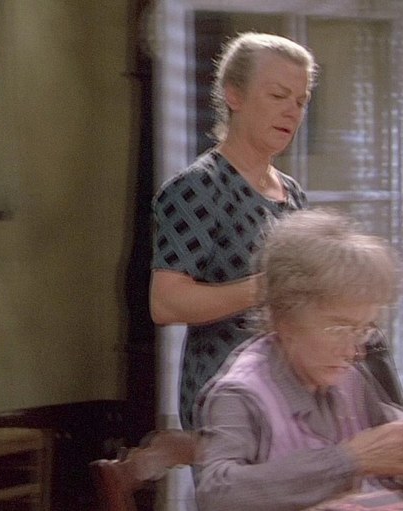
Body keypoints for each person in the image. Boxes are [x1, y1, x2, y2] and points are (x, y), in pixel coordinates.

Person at [193, 209, 403, 511]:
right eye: (339, 329)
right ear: (285, 318)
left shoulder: (351, 379)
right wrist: (349, 460)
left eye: (362, 330)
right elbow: (217, 494)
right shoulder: (241, 394)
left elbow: (386, 441)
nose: (354, 351)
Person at [150, 32, 317, 429]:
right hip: (225, 397)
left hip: (287, 393)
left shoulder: (292, 193)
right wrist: (266, 288)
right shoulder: (199, 186)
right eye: (278, 96)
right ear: (234, 96)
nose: (291, 111)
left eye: (300, 101)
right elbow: (166, 303)